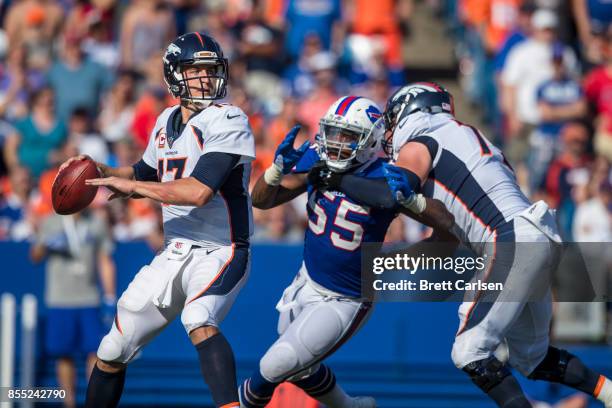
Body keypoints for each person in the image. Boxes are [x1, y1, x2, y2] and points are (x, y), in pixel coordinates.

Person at [378, 82, 612, 408]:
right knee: (533, 358)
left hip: (510, 240)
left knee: (469, 350)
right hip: (535, 236)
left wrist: (341, 184)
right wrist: (392, 258)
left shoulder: (421, 138)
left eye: (391, 122)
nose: (388, 135)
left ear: (410, 109)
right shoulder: (464, 137)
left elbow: (397, 187)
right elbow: (444, 240)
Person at [61, 32, 255, 408]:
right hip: (174, 250)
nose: (205, 79)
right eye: (195, 71)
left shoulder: (228, 117)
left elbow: (199, 191)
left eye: (210, 70)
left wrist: (133, 188)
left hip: (221, 250)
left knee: (199, 318)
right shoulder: (166, 120)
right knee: (111, 348)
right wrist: (101, 172)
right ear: (173, 75)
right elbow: (143, 172)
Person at [242, 96, 455, 408]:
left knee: (274, 365)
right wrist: (276, 170)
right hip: (306, 280)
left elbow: (446, 224)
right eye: (333, 132)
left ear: (370, 142)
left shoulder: (385, 175)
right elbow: (261, 200)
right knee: (300, 369)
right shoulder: (320, 159)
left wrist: (412, 203)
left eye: (348, 136)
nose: (336, 142)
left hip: (346, 299)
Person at [30, 210, 116, 408]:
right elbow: (35, 256)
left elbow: (105, 260)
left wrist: (110, 295)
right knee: (63, 353)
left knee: (96, 352)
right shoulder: (50, 222)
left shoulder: (96, 222)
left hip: (89, 297)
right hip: (60, 299)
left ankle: (93, 402)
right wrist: (45, 243)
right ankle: (68, 403)